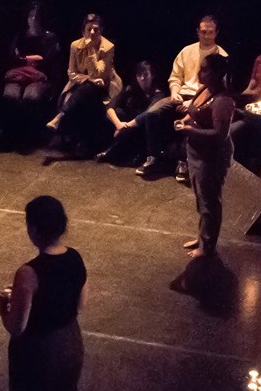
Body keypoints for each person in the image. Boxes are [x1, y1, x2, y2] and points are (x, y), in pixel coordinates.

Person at [0, 196, 86, 391]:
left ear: (34, 229)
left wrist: (2, 305)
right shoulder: (75, 259)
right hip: (70, 343)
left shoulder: (28, 273)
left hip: (38, 352)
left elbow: (17, 326)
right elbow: (79, 306)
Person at [134, 14, 226, 177]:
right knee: (152, 114)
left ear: (216, 33)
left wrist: (194, 102)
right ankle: (155, 157)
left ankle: (183, 162)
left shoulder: (222, 57)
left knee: (192, 118)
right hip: (182, 94)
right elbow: (175, 77)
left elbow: (217, 89)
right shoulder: (187, 51)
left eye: (210, 32)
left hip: (203, 100)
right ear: (197, 32)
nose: (206, 36)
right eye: (203, 32)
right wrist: (175, 91)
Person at [178, 52, 237, 255]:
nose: (199, 73)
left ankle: (207, 247)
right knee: (201, 197)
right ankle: (203, 237)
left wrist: (189, 130)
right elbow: (194, 113)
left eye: (205, 70)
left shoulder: (223, 101)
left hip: (212, 156)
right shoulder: (204, 89)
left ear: (217, 73)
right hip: (197, 151)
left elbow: (220, 134)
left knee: (210, 201)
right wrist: (185, 120)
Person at [45, 13, 120, 153]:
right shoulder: (75, 45)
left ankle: (60, 118)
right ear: (83, 31)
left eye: (96, 29)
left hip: (104, 85)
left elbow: (98, 74)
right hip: (82, 85)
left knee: (89, 89)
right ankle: (75, 140)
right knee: (84, 91)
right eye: (89, 29)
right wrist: (89, 79)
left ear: (101, 30)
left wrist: (91, 50)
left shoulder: (108, 47)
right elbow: (71, 73)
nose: (92, 33)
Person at [0, 1, 60, 140]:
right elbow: (13, 57)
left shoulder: (50, 38)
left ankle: (27, 136)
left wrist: (25, 58)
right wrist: (31, 58)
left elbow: (48, 61)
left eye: (37, 16)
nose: (33, 19)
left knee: (30, 97)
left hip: (40, 77)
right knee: (10, 95)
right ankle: (10, 134)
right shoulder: (20, 37)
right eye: (31, 16)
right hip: (20, 75)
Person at [99, 60, 161, 165]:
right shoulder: (130, 89)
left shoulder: (158, 94)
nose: (142, 78)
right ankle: (116, 151)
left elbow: (146, 115)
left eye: (146, 75)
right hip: (127, 125)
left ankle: (112, 151)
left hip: (142, 128)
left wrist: (126, 127)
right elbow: (110, 106)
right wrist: (118, 124)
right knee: (117, 113)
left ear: (152, 76)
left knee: (140, 125)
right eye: (139, 75)